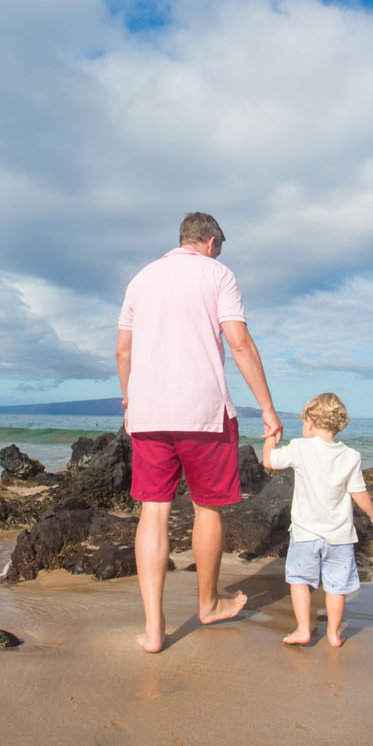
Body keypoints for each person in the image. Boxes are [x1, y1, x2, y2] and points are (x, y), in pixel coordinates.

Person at [117, 211, 283, 654]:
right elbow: (240, 342)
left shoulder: (141, 279)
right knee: (208, 510)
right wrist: (267, 407)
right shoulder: (218, 274)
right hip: (205, 413)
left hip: (149, 414)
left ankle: (154, 629)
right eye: (219, 248)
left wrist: (130, 401)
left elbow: (123, 349)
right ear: (210, 241)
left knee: (153, 513)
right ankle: (208, 604)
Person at [261, 392, 373, 648]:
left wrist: (270, 437)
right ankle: (334, 635)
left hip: (305, 534)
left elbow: (269, 461)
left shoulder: (300, 448)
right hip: (340, 537)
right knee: (337, 588)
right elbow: (359, 493)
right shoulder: (351, 456)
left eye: (304, 421)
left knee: (299, 581)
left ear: (311, 422)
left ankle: (304, 629)